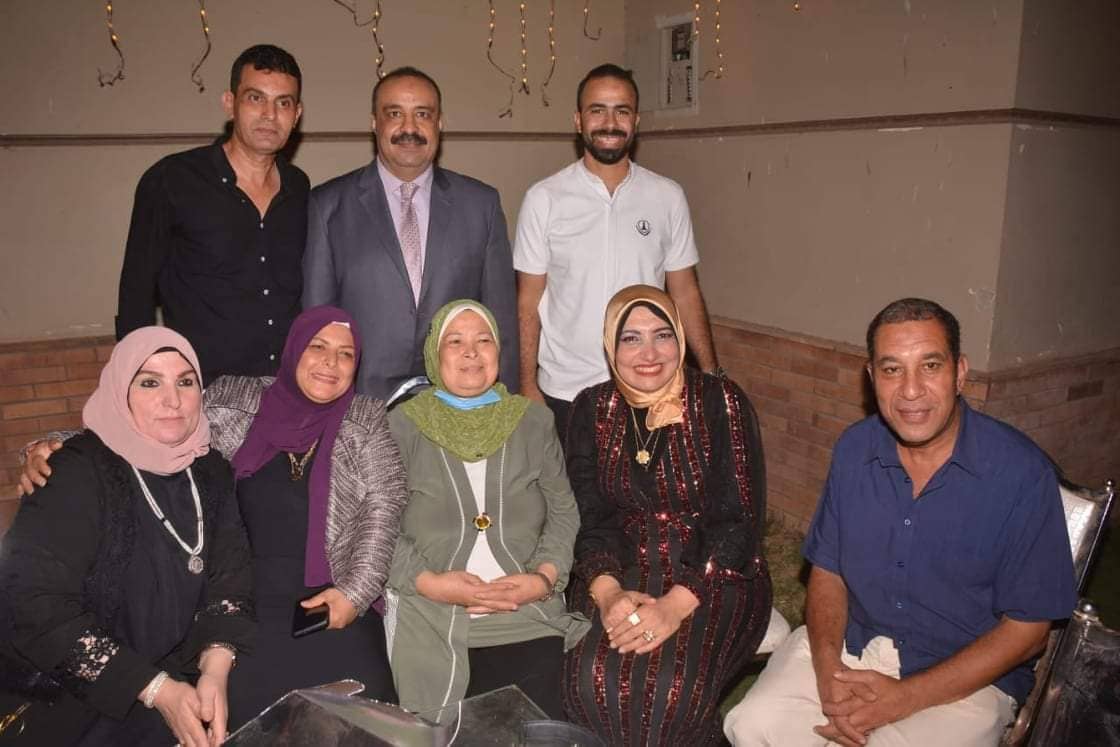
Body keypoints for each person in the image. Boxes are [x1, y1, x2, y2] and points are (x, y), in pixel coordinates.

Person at [17, 307, 408, 729]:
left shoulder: (366, 419)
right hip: (236, 596)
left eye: (346, 354)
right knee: (244, 711)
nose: (330, 362)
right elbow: (161, 421)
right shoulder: (238, 398)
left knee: (368, 708)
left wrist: (354, 594)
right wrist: (55, 445)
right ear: (294, 349)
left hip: (329, 600)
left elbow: (384, 506)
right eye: (318, 346)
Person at [724, 298, 1077, 747]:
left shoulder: (1020, 474)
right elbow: (828, 572)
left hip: (964, 677)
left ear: (959, 372)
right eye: (892, 370)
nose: (911, 390)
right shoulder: (855, 450)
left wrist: (905, 698)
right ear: (872, 378)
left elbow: (1029, 632)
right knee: (753, 724)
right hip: (851, 642)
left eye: (930, 366)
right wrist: (828, 671)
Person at [0, 328, 253, 746]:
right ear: (121, 392)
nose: (173, 400)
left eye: (185, 382)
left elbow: (231, 578)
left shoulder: (211, 471)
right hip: (69, 688)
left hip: (174, 670)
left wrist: (215, 668)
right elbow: (33, 605)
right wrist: (156, 690)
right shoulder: (75, 473)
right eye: (150, 382)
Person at [563, 285, 772, 746]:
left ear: (681, 337)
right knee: (590, 680)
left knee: (669, 692)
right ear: (610, 346)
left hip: (717, 572)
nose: (650, 354)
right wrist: (608, 593)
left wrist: (676, 605)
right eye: (631, 338)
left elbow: (738, 518)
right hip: (618, 564)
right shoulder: (591, 408)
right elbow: (589, 514)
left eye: (662, 335)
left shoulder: (720, 400)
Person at [384, 300, 588, 720]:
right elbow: (378, 524)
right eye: (455, 341)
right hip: (431, 615)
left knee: (532, 730)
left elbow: (563, 512)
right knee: (438, 732)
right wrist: (429, 583)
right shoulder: (401, 425)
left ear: (499, 352)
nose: (471, 352)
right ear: (434, 355)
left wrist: (543, 579)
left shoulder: (534, 422)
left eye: (483, 340)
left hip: (524, 613)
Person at [514, 64, 719, 440]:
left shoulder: (667, 196)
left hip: (649, 388)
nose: (610, 123)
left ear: (635, 121)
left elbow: (685, 291)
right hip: (565, 393)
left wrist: (710, 374)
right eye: (597, 110)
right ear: (578, 120)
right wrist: (527, 384)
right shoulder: (544, 199)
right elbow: (528, 301)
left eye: (621, 111)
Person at [303, 67, 519, 400]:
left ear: (439, 123)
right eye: (394, 114)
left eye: (422, 114)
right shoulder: (328, 206)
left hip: (458, 404)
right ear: (374, 123)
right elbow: (316, 323)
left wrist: (507, 405)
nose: (409, 128)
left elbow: (500, 319)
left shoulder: (481, 205)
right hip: (361, 405)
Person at [116, 44, 309, 383]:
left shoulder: (299, 187)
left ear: (296, 115)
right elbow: (136, 294)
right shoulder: (172, 180)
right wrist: (141, 380)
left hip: (286, 388)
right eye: (255, 98)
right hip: (204, 392)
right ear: (230, 103)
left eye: (283, 103)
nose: (269, 114)